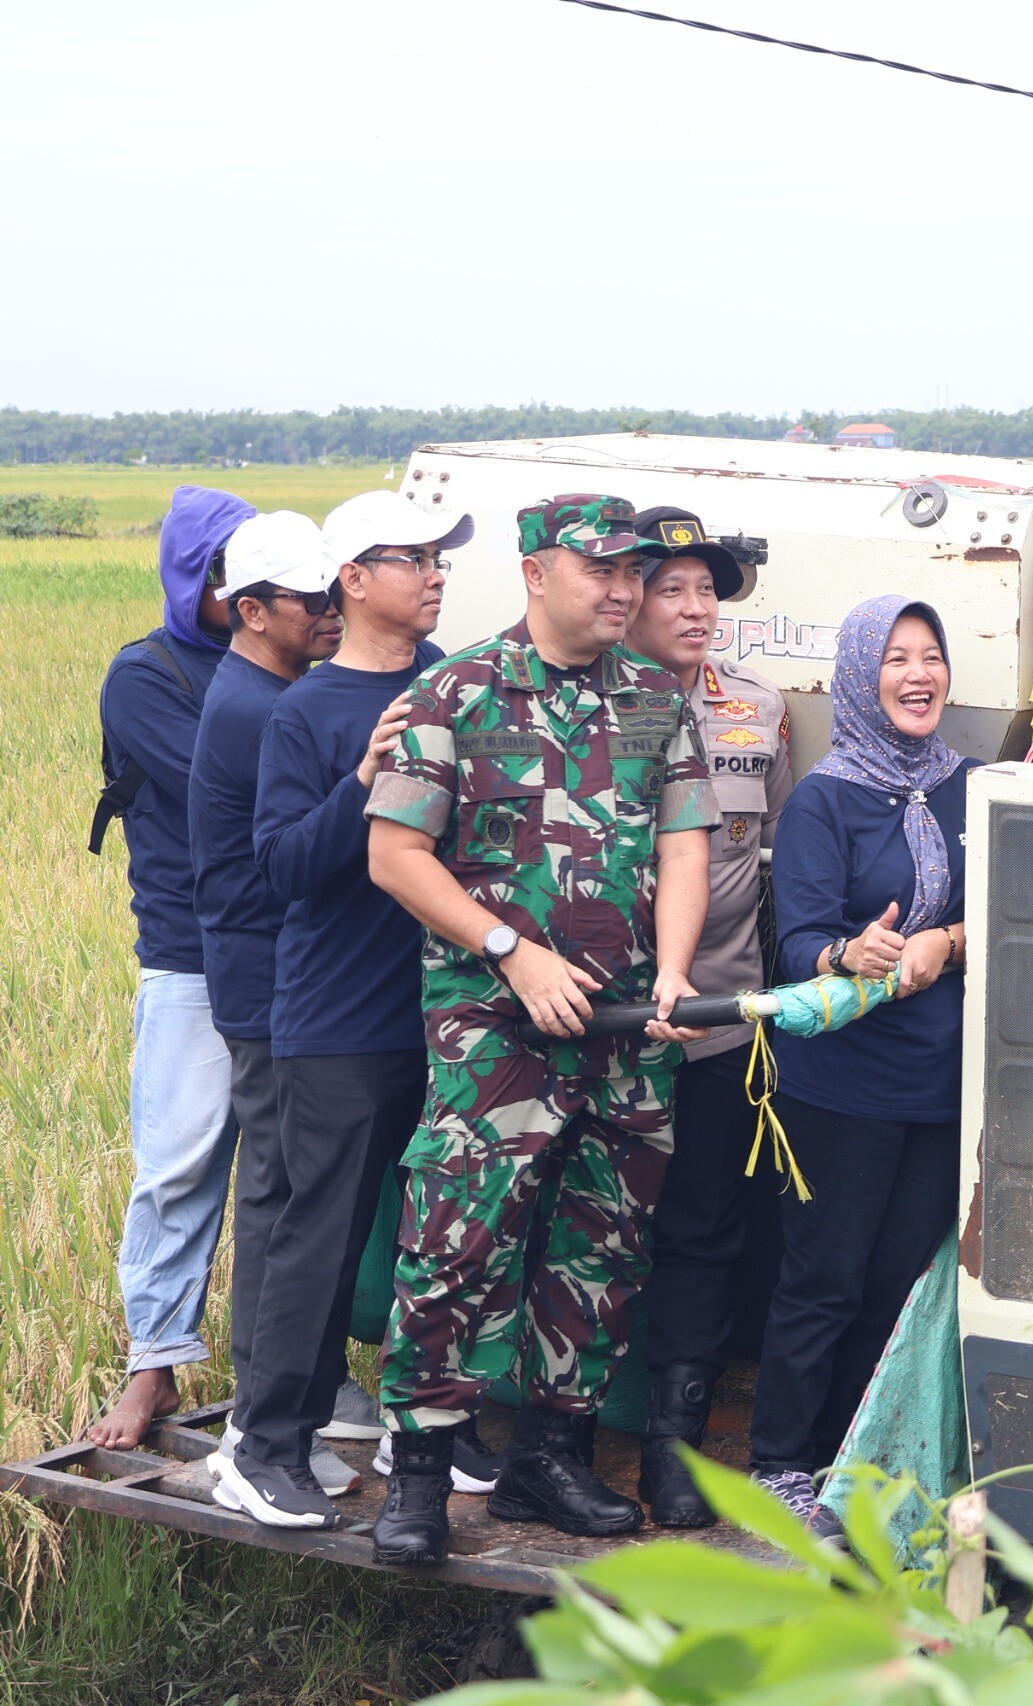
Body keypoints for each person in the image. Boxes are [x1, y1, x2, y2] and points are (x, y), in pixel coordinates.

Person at [360, 494, 714, 1565]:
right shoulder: (457, 692)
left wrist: (677, 970)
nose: (622, 590)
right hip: (494, 1028)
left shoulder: (657, 699)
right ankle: (420, 1474)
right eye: (600, 569)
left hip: (625, 1026)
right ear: (534, 572)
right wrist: (512, 949)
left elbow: (684, 845)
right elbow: (394, 856)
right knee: (456, 1242)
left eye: (631, 572)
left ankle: (549, 1458)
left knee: (602, 1247)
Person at [210, 493, 477, 1529]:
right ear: (354, 580)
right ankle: (264, 1444)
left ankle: (428, 1429)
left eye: (440, 558)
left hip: (443, 1012)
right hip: (336, 1017)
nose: (435, 574)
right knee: (317, 1238)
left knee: (440, 1233)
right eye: (413, 559)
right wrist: (364, 775)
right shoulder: (304, 711)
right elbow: (282, 865)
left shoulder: (446, 682)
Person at [752, 596, 970, 1538]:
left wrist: (945, 943)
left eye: (931, 656)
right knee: (826, 1279)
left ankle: (852, 1464)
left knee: (897, 1284)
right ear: (856, 677)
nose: (919, 676)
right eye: (895, 659)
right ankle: (779, 1462)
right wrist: (850, 953)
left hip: (942, 1083)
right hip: (843, 1087)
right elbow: (795, 940)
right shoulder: (826, 798)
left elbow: (1005, 905)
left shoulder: (972, 786)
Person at [619, 506, 795, 1529]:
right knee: (593, 1227)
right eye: (671, 589)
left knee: (705, 1228)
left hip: (720, 1018)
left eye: (707, 591)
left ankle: (673, 1444)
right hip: (604, 1020)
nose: (696, 609)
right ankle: (556, 1431)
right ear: (623, 597)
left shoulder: (757, 710)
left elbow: (773, 859)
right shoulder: (585, 707)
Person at [186, 511, 353, 1508]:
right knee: (281, 1195)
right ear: (252, 611)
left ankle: (294, 1409)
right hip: (265, 981)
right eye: (311, 598)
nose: (330, 611)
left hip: (278, 971)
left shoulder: (271, 690)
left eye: (337, 592)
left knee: (291, 1191)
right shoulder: (259, 707)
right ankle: (256, 1425)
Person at [85, 484, 251, 1451]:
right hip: (192, 952)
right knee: (179, 1163)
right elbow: (228, 796)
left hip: (298, 951)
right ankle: (152, 1362)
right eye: (224, 571)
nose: (243, 588)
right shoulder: (146, 675)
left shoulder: (297, 662)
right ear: (191, 575)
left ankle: (301, 1371)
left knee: (298, 1174)